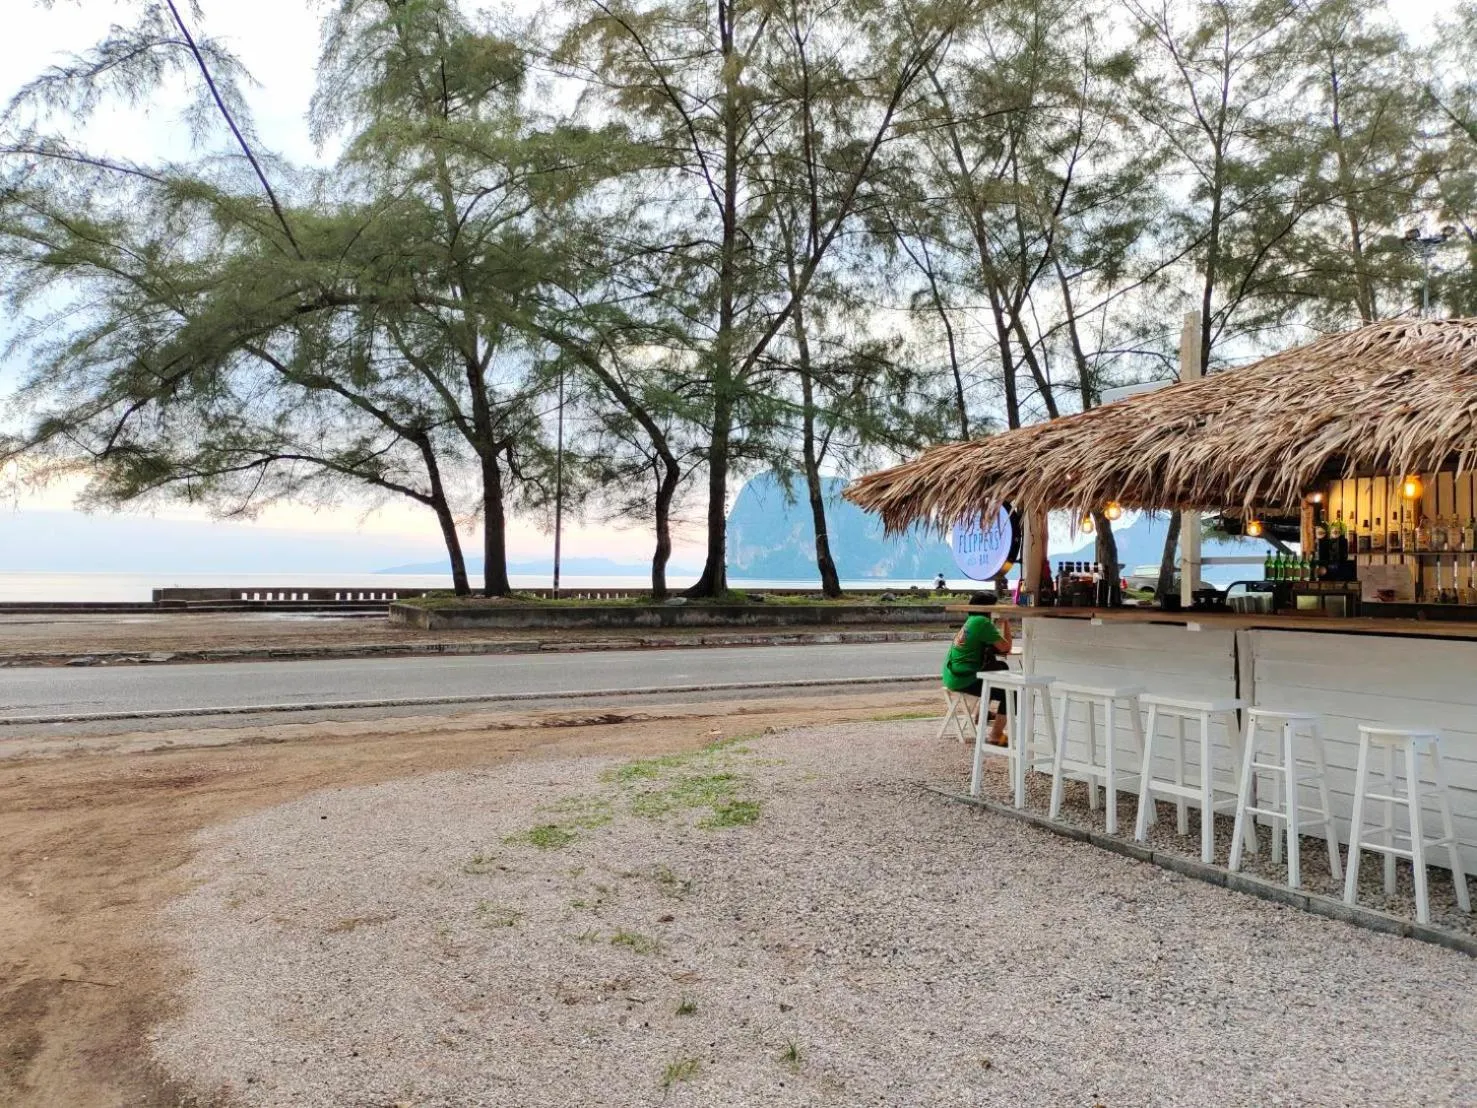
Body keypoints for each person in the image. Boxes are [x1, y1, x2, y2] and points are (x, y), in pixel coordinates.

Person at [940, 591, 1013, 745]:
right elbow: (1006, 647)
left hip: (953, 675)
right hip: (964, 679)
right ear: (987, 608)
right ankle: (996, 735)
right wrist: (1005, 622)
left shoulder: (972, 621)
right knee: (1012, 692)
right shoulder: (982, 622)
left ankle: (982, 713)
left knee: (1001, 667)